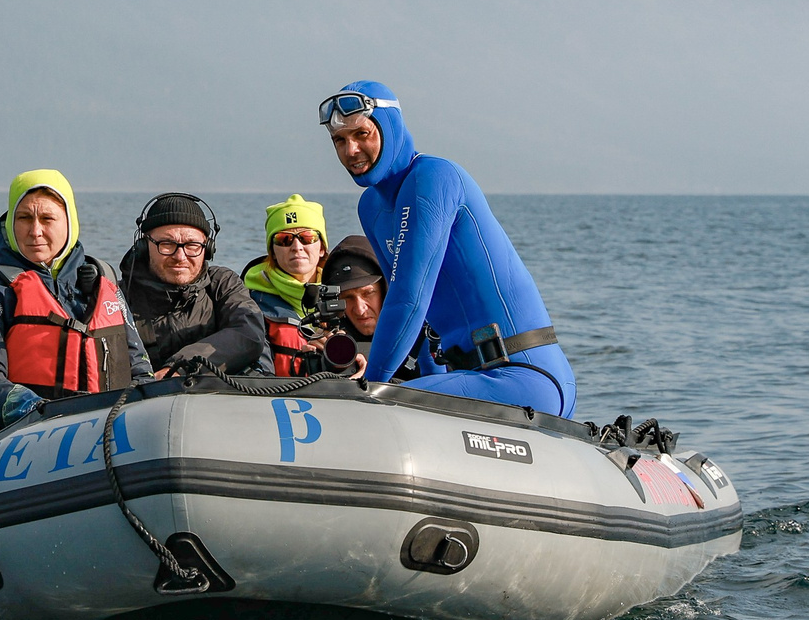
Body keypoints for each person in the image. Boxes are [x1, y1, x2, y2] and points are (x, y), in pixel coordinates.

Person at [320, 82, 577, 416]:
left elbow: (407, 301)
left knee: (360, 409)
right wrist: (426, 376)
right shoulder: (371, 207)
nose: (351, 150)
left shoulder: (434, 177)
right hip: (472, 377)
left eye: (362, 135)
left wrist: (368, 391)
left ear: (390, 127)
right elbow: (427, 322)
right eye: (339, 141)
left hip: (526, 378)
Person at [0, 169, 151, 440]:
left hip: (112, 431)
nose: (35, 231)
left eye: (47, 218)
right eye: (24, 218)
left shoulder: (104, 284)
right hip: (27, 438)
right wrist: (51, 414)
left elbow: (140, 367)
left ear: (69, 222)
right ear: (10, 221)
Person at [117, 192, 266, 379]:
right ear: (144, 246)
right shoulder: (118, 297)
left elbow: (249, 333)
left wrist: (181, 368)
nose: (180, 257)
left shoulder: (222, 283)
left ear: (208, 248)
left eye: (192, 245)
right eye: (167, 244)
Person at [241, 194, 331, 376]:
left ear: (322, 248)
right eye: (284, 239)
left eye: (307, 237)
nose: (297, 247)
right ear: (272, 252)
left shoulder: (349, 297)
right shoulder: (248, 303)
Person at [323, 236, 429, 383]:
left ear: (386, 291)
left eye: (368, 293)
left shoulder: (424, 336)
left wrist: (373, 377)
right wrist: (323, 360)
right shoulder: (332, 343)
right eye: (347, 297)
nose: (360, 309)